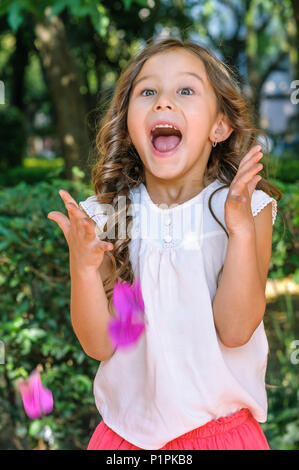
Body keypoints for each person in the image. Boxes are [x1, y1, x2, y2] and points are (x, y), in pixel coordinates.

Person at [47, 37, 282, 450]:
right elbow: (100, 343)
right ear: (129, 125)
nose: (163, 102)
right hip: (124, 441)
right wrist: (83, 269)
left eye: (186, 90)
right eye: (148, 91)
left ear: (220, 126)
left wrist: (241, 232)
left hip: (223, 438)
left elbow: (235, 329)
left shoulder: (247, 207)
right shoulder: (111, 215)